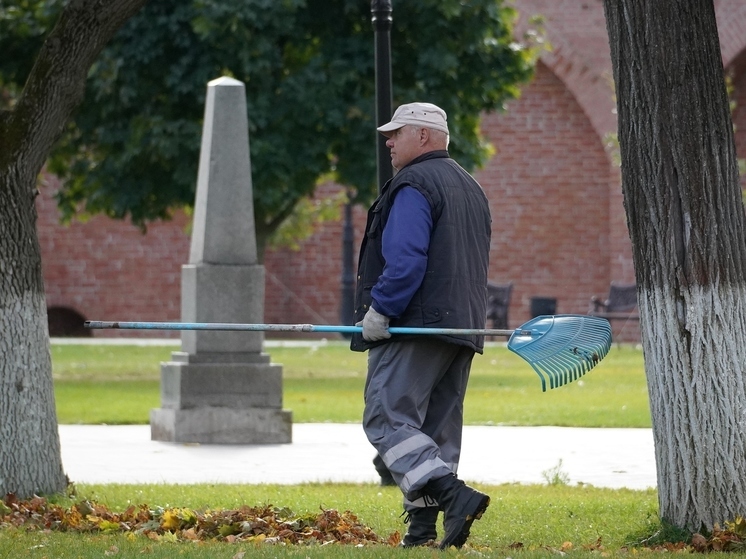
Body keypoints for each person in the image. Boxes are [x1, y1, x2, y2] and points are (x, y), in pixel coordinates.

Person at [350, 102, 492, 549]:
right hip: (462, 329)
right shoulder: (470, 187)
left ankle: (454, 496)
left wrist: (380, 312)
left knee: (388, 418)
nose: (389, 142)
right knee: (435, 432)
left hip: (415, 327)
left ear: (424, 137)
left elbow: (406, 261)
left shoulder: (413, 184)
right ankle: (423, 531)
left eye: (397, 134)